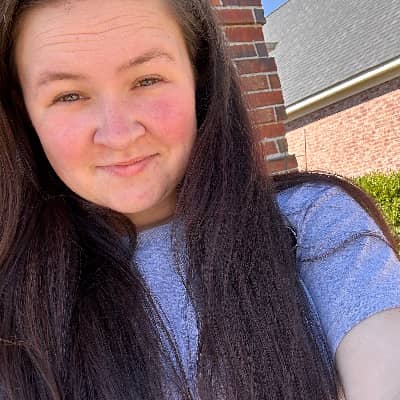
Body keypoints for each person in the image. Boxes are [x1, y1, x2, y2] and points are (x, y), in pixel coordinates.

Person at [0, 0, 399, 399]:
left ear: (198, 76)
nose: (118, 134)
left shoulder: (312, 223)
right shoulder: (13, 303)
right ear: (25, 110)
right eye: (69, 95)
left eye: (147, 80)